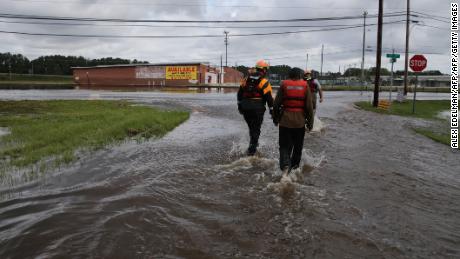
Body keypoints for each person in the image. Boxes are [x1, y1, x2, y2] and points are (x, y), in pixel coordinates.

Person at [273, 67, 314, 175]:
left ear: (289, 75)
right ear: (300, 76)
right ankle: (295, 170)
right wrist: (310, 123)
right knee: (298, 147)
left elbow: (276, 104)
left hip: (285, 121)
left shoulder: (284, 84)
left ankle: (285, 165)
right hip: (299, 122)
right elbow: (309, 107)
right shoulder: (305, 86)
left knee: (284, 146)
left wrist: (275, 119)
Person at [237, 60, 274, 156]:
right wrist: (272, 111)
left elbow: (239, 94)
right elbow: (269, 98)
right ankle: (252, 151)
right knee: (256, 129)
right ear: (264, 70)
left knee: (251, 128)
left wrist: (240, 106)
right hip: (257, 108)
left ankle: (253, 144)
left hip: (245, 108)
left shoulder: (246, 79)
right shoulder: (264, 82)